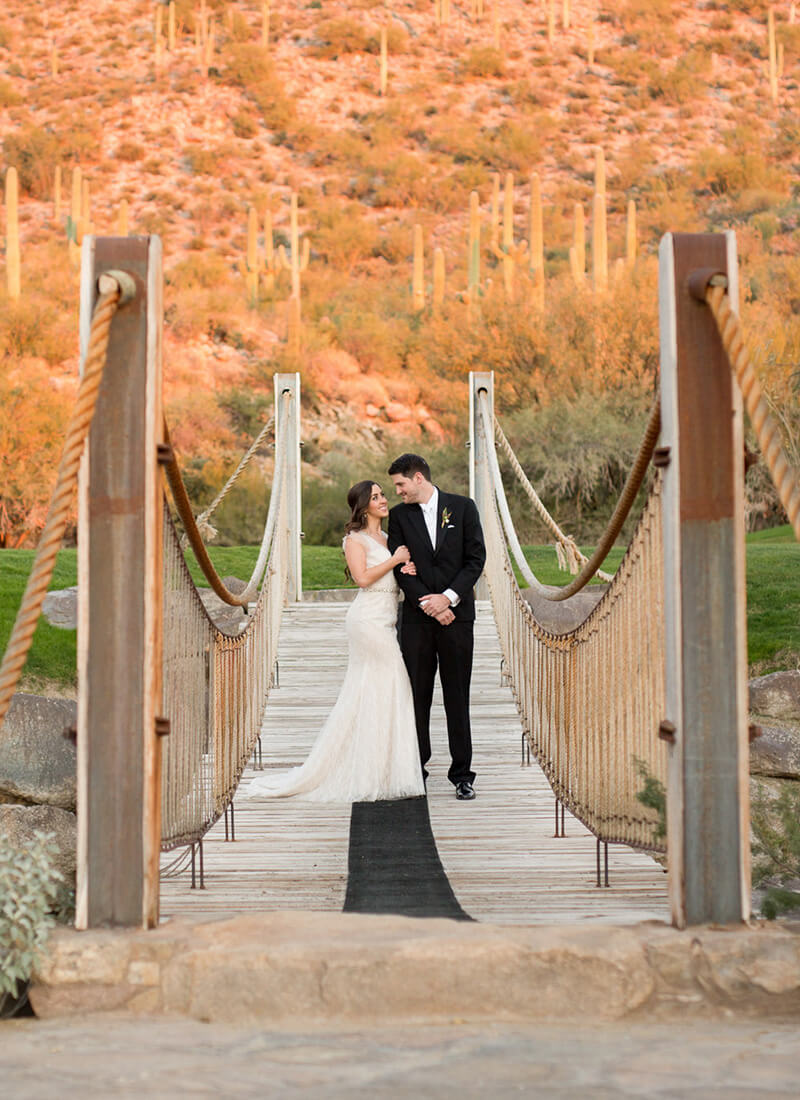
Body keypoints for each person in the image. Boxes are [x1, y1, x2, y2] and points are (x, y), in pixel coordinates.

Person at [244, 481, 425, 803]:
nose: (384, 500)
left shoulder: (387, 538)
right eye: (375, 497)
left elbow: (390, 573)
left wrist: (405, 567)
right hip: (367, 621)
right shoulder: (354, 540)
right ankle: (370, 773)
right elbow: (363, 579)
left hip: (386, 618)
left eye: (383, 494)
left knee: (380, 692)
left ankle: (383, 772)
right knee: (391, 684)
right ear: (362, 506)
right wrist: (395, 561)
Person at [387, 453, 486, 800]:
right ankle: (417, 769)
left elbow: (476, 559)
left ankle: (462, 774)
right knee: (417, 696)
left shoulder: (463, 508)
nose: (396, 492)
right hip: (417, 620)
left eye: (400, 484)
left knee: (457, 696)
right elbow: (400, 568)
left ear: (417, 478)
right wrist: (429, 604)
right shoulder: (398, 517)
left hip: (458, 617)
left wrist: (449, 598)